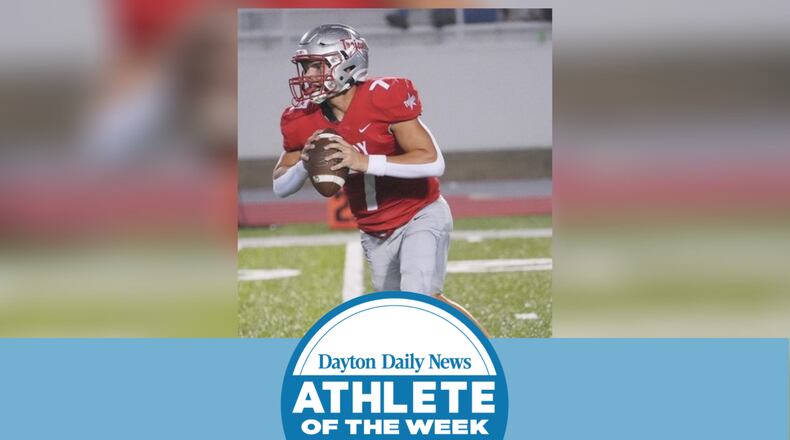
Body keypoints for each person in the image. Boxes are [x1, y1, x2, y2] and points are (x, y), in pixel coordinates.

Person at [271, 24, 487, 335]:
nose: (308, 76)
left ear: (347, 64)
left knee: (417, 299)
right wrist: (304, 164)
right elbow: (280, 186)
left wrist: (364, 161)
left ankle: (490, 353)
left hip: (419, 214)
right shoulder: (302, 118)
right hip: (374, 230)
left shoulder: (384, 97)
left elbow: (432, 160)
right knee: (403, 310)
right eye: (305, 67)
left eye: (316, 66)